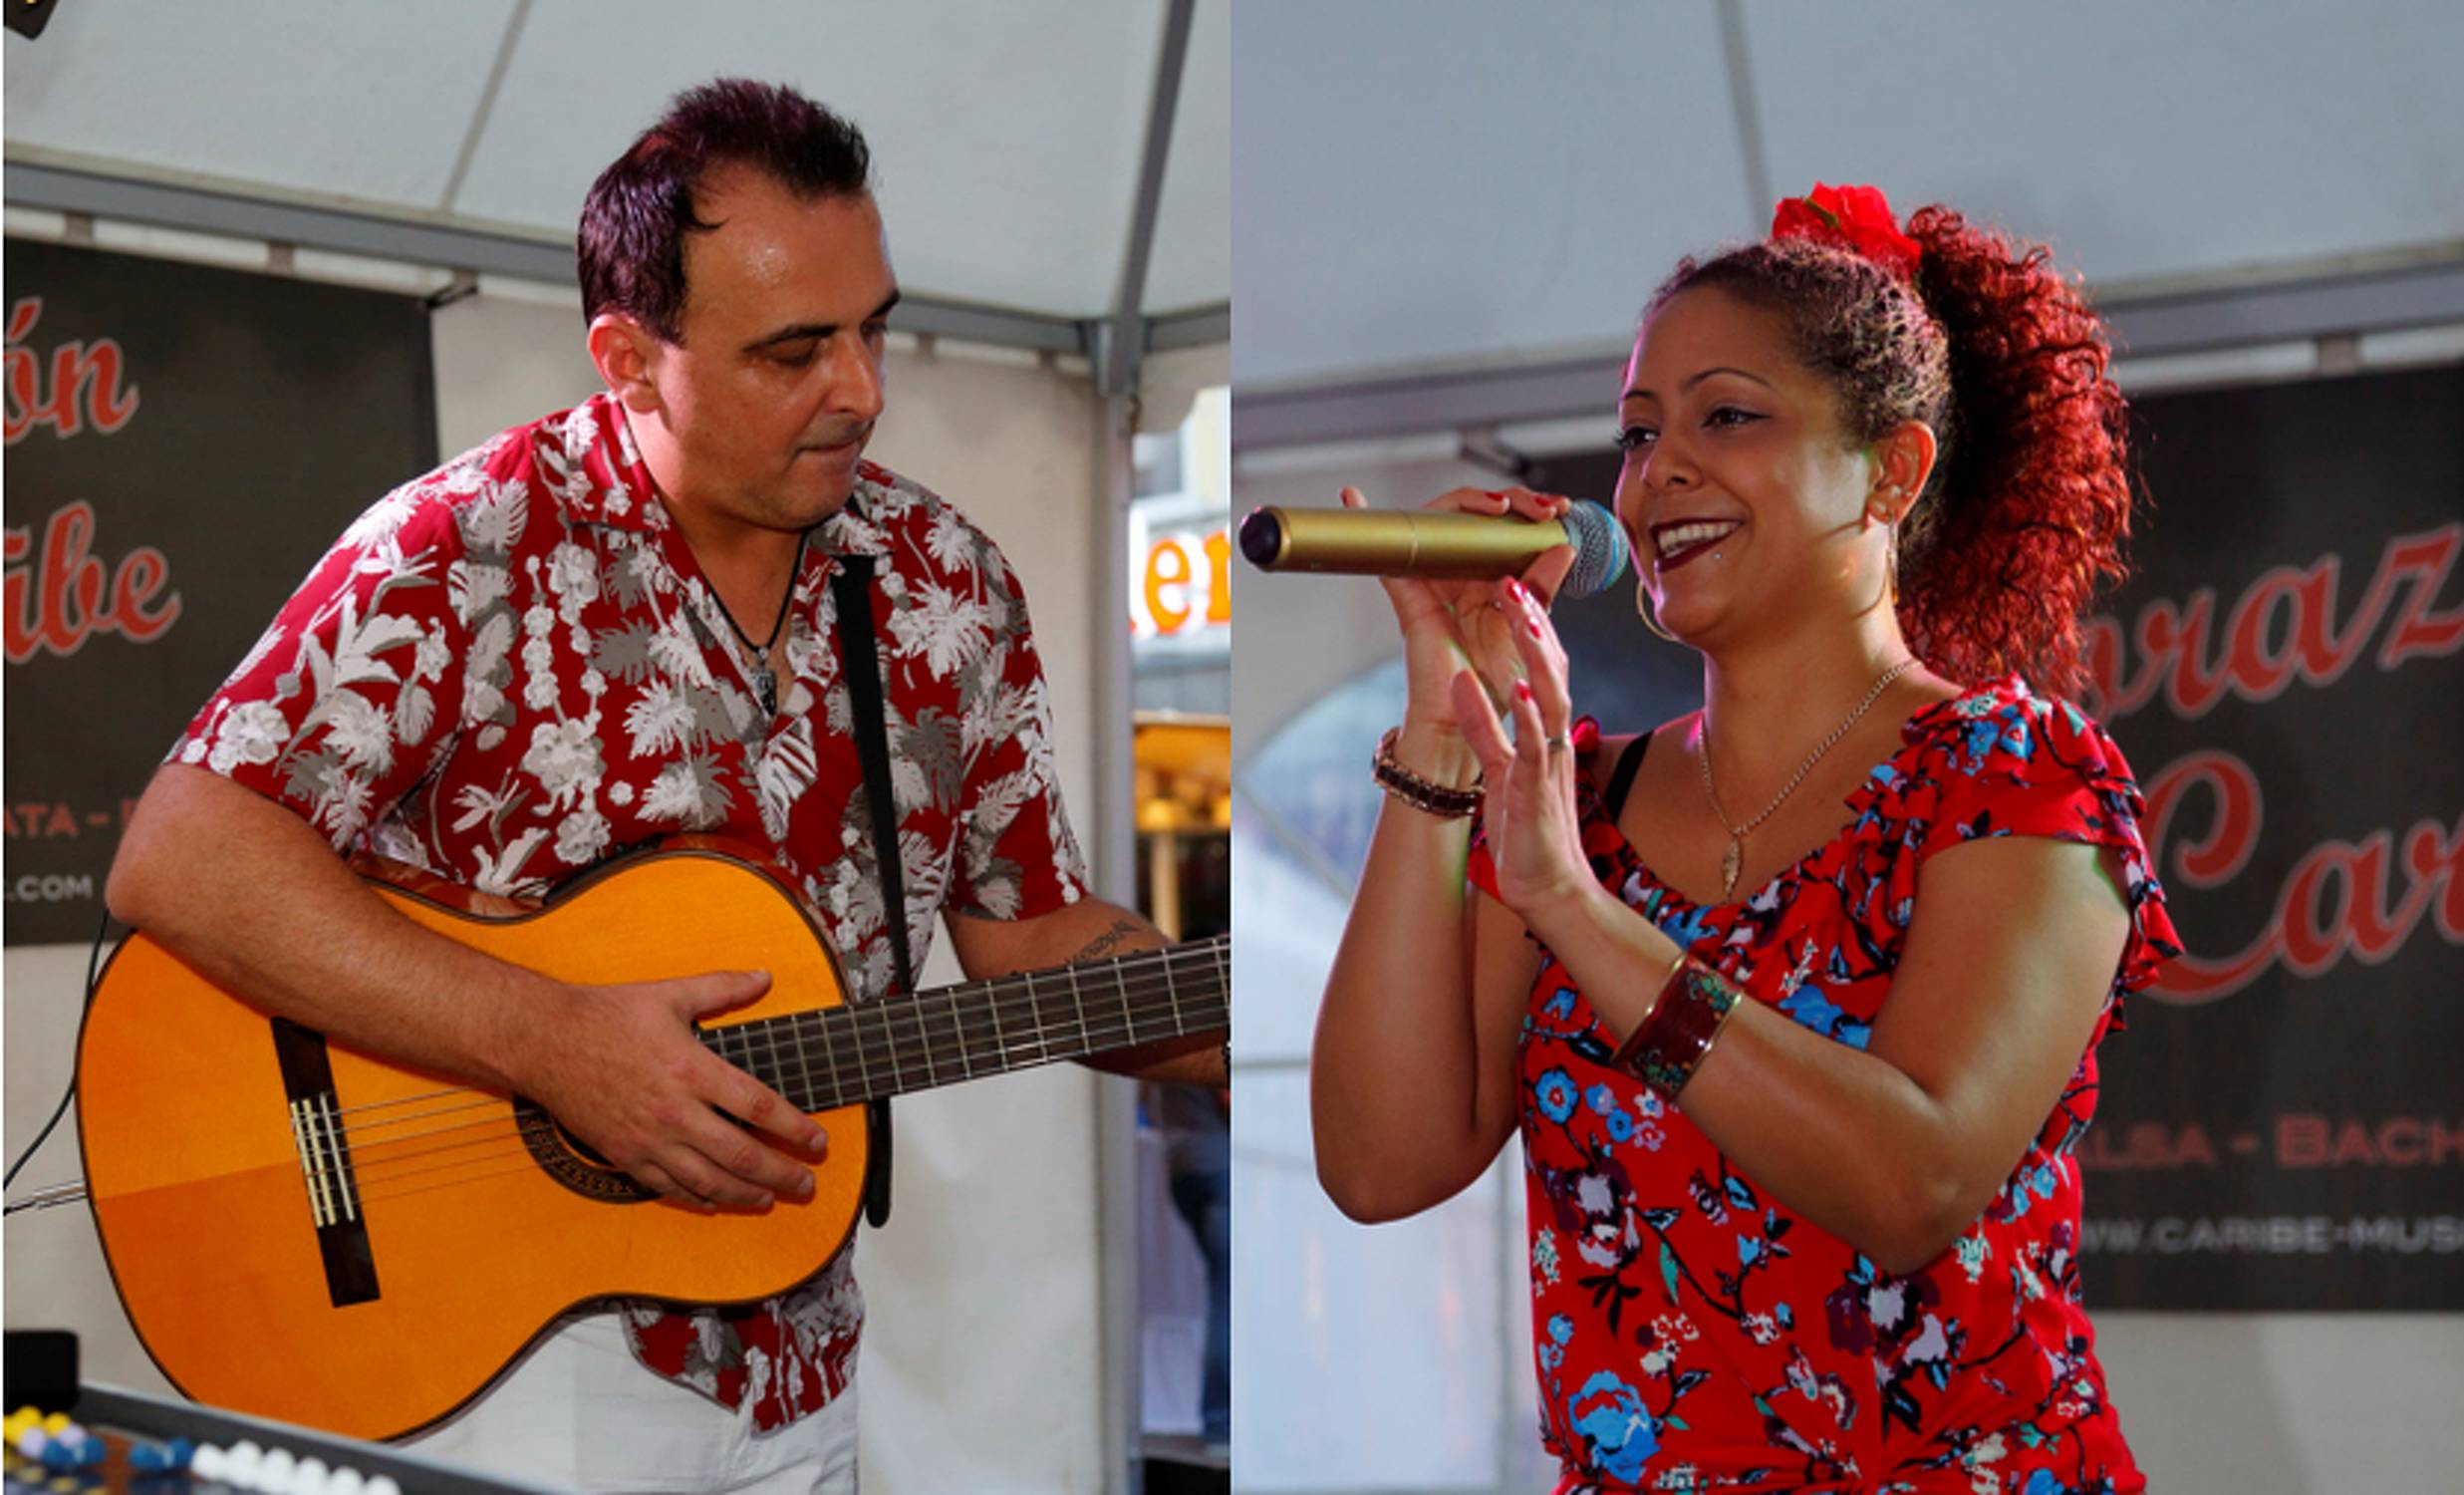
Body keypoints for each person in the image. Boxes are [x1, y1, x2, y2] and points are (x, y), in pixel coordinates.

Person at [105, 79, 1222, 1494]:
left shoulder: (944, 580)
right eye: (795, 350)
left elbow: (1032, 934)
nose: (862, 389)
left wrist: (1257, 1021)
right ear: (630, 360)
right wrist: (554, 1044)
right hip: (517, 1362)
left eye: (872, 328)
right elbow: (184, 853)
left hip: (804, 1348)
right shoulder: (469, 545)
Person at [1310, 183, 2180, 1493]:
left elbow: (1910, 1184)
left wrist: (1578, 913)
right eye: (1637, 430)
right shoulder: (1572, 798)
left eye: (1726, 416)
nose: (1656, 470)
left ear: (1890, 470)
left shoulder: (2015, 777)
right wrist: (1443, 728)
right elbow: (1379, 1168)